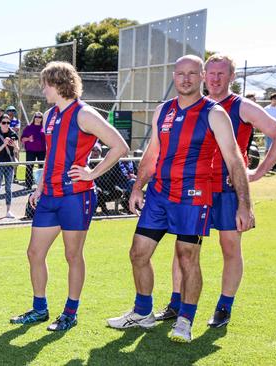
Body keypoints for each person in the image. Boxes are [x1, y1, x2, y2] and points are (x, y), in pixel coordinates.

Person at [106, 55, 254, 343]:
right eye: (180, 73)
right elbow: (152, 154)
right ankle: (142, 312)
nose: (185, 79)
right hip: (159, 195)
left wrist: (244, 204)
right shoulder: (163, 111)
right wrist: (137, 187)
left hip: (194, 197)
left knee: (188, 258)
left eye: (192, 73)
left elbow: (235, 161)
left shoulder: (214, 113)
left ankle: (185, 319)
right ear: (173, 76)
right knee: (138, 253)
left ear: (201, 76)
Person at [155, 54, 276, 328]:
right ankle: (175, 303)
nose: (215, 79)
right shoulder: (190, 105)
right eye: (211, 73)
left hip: (226, 191)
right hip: (194, 188)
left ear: (232, 77)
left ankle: (224, 307)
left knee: (230, 247)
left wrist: (259, 172)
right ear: (203, 75)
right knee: (184, 248)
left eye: (221, 74)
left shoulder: (241, 107)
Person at [9, 61, 129, 332]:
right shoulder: (50, 115)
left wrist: (91, 173)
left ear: (59, 84)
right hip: (50, 196)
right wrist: (39, 187)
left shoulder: (84, 114)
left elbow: (119, 146)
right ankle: (39, 309)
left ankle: (70, 312)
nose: (43, 89)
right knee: (34, 252)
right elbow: (51, 154)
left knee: (72, 255)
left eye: (45, 84)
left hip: (77, 196)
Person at [0, 114, 19, 218]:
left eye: (8, 122)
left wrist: (14, 145)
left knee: (8, 188)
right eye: (4, 122)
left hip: (9, 165)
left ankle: (8, 211)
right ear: (0, 123)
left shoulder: (13, 134)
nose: (6, 125)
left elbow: (17, 150)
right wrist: (4, 144)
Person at [21, 111, 46, 188]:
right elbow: (22, 139)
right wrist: (28, 138)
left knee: (41, 168)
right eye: (36, 117)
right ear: (34, 118)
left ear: (42, 119)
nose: (38, 119)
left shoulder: (44, 127)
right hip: (30, 150)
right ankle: (28, 185)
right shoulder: (28, 128)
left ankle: (40, 185)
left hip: (42, 151)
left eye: (40, 117)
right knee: (29, 167)